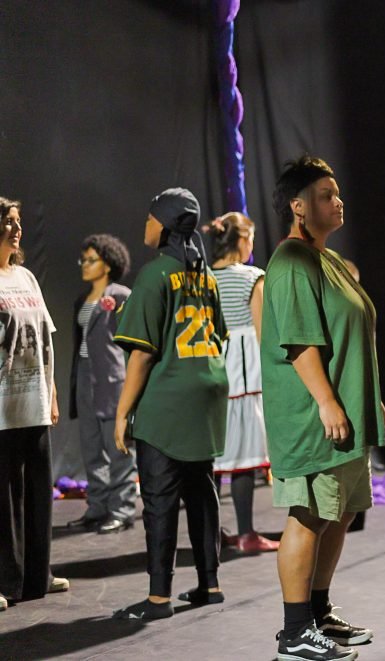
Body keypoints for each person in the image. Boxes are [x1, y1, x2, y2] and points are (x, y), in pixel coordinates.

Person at [262, 156, 384, 661]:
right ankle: (294, 633)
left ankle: (318, 612)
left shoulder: (326, 260)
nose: (338, 202)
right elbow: (300, 343)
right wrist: (329, 402)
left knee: (340, 514)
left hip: (344, 417)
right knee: (309, 515)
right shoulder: (290, 261)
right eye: (326, 195)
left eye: (337, 193)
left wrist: (364, 399)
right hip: (316, 419)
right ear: (298, 206)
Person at [111, 188, 229, 620]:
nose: (145, 225)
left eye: (149, 218)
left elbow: (142, 354)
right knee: (202, 493)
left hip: (169, 401)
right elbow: (219, 337)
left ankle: (159, 598)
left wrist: (123, 413)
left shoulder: (155, 274)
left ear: (161, 224)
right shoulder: (206, 275)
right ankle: (209, 583)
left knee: (160, 500)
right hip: (210, 395)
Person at [0, 197, 69, 613]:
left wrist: (53, 390)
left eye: (18, 221)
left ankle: (35, 575)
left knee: (38, 493)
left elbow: (45, 336)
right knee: (3, 500)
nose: (16, 228)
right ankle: (5, 579)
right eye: (8, 221)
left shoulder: (25, 277)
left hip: (35, 400)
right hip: (3, 405)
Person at [206, 212, 278, 553]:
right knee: (244, 456)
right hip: (245, 374)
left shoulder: (202, 277)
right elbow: (263, 332)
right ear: (241, 240)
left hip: (210, 371)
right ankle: (247, 533)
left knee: (214, 459)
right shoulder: (253, 277)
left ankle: (210, 534)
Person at [68, 234, 136, 535]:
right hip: (84, 376)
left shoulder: (120, 295)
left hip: (112, 378)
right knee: (91, 445)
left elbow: (134, 340)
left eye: (91, 259)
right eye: (83, 259)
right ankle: (97, 507)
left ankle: (122, 509)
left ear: (107, 264)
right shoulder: (81, 299)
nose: (84, 265)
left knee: (118, 446)